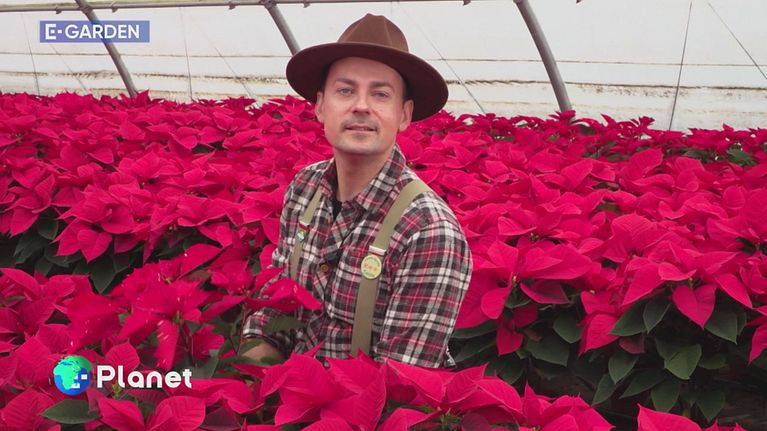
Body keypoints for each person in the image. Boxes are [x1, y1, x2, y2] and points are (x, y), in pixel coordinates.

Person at [241, 13, 472, 368]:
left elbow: (400, 379)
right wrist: (253, 374)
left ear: (404, 114)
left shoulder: (428, 229)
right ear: (321, 106)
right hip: (292, 391)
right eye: (345, 90)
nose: (361, 105)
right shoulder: (304, 189)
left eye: (380, 94)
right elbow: (275, 311)